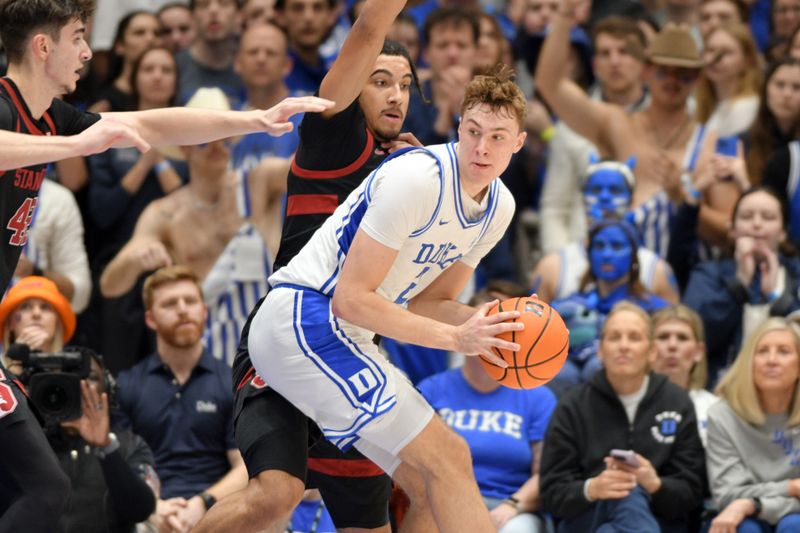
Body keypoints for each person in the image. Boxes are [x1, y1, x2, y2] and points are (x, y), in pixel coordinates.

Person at [0, 2, 327, 528]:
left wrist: (256, 119)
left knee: (44, 488)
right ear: (43, 46)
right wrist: (73, 144)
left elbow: (155, 122)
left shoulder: (45, 119)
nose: (87, 51)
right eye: (79, 37)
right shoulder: (10, 110)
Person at [240, 64, 524, 533]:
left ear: (518, 142)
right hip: (304, 318)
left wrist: (494, 323)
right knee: (450, 456)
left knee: (430, 482)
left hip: (345, 335)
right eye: (473, 131)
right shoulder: (419, 177)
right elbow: (349, 300)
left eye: (497, 137)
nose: (481, 147)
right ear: (458, 127)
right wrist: (457, 338)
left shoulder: (499, 207)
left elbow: (430, 302)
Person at [194, 0, 424, 527]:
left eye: (406, 84)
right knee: (276, 496)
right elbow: (368, 28)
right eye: (380, 81)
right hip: (286, 342)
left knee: (382, 513)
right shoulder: (333, 136)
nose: (396, 95)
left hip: (352, 354)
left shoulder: (406, 172)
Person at [536, 0, 739, 255]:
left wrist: (685, 201)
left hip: (690, 280)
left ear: (697, 78)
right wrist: (565, 14)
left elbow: (730, 233)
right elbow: (550, 84)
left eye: (683, 73)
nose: (673, 81)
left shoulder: (713, 143)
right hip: (622, 273)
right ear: (646, 71)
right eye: (663, 71)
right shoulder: (618, 125)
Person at [99, 87, 279, 366]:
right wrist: (136, 260)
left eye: (225, 137)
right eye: (207, 139)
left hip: (268, 340)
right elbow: (110, 284)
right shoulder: (165, 214)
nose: (218, 146)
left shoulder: (261, 182)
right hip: (204, 352)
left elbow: (319, 166)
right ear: (185, 146)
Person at [540, 301, 706, 532]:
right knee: (625, 494)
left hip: (659, 520)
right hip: (586, 518)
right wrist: (592, 487)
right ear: (600, 350)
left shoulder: (677, 402)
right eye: (615, 337)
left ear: (651, 352)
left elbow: (692, 491)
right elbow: (551, 492)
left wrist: (655, 484)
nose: (624, 346)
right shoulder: (573, 405)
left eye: (635, 338)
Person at [113, 266, 247, 532]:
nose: (183, 309)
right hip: (148, 514)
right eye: (170, 304)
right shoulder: (127, 385)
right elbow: (118, 466)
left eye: (191, 301)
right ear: (150, 319)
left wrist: (203, 503)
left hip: (217, 511)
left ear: (204, 312)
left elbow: (245, 467)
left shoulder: (231, 382)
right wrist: (154, 508)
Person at [418, 285, 558, 533]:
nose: (494, 338)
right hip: (444, 505)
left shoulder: (538, 398)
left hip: (509, 507)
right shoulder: (431, 390)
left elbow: (546, 473)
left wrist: (513, 505)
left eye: (503, 330)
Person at [538, 15, 650, 253]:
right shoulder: (570, 124)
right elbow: (555, 208)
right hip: (581, 250)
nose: (615, 61)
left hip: (647, 251)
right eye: (605, 53)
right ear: (594, 65)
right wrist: (562, 264)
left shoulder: (664, 120)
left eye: (624, 51)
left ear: (644, 62)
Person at [684, 187, 800, 386]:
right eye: (747, 216)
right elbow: (694, 337)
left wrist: (777, 299)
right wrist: (737, 287)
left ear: (782, 233)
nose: (756, 224)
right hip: (722, 390)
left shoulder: (796, 274)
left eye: (768, 217)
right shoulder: (708, 274)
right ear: (732, 229)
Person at [533, 157, 679, 304]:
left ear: (632, 200)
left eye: (615, 190)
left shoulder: (657, 270)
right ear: (583, 199)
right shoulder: (552, 267)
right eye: (596, 190)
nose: (604, 197)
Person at [550, 219, 671, 387]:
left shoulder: (656, 310)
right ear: (589, 254)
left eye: (617, 246)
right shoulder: (568, 306)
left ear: (633, 256)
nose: (607, 254)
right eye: (599, 246)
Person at [707, 318, 800, 533]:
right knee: (744, 528)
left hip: (788, 516)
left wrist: (754, 504)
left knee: (794, 525)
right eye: (762, 351)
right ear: (750, 362)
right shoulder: (722, 416)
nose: (771, 360)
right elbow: (727, 495)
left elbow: (740, 500)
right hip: (738, 519)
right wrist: (790, 487)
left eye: (784, 351)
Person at [651, 305, 719, 447]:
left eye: (682, 338)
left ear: (699, 351)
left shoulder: (715, 409)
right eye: (663, 337)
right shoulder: (633, 402)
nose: (672, 345)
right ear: (649, 349)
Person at [695, 22, 761, 138]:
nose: (714, 59)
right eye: (710, 50)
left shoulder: (746, 107)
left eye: (726, 52)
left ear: (748, 61)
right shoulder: (701, 104)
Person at [89, 10, 162, 113]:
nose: (150, 38)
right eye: (139, 33)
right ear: (120, 45)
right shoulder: (105, 105)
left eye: (157, 33)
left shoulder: (168, 92)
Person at [175, 0, 244, 106]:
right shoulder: (174, 68)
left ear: (239, 15)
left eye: (224, 3)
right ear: (191, 17)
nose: (213, 10)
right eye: (203, 4)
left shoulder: (252, 67)